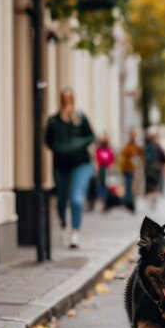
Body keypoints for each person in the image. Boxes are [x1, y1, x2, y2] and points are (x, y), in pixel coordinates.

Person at [45, 87, 95, 249]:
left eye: (69, 98)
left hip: (80, 163)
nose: (67, 101)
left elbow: (90, 136)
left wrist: (77, 144)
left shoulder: (79, 117)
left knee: (76, 198)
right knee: (61, 199)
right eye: (64, 98)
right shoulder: (54, 120)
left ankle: (74, 233)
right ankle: (63, 221)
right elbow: (48, 140)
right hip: (61, 165)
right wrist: (59, 148)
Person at [118, 129, 143, 212]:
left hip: (132, 169)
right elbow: (126, 152)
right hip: (127, 168)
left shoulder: (135, 146)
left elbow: (140, 152)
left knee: (131, 186)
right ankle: (128, 203)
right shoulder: (128, 146)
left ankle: (129, 202)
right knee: (128, 186)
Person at [144, 130, 165, 208]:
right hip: (156, 168)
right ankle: (154, 199)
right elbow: (163, 156)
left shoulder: (145, 147)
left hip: (148, 168)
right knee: (155, 184)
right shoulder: (157, 146)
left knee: (149, 184)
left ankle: (150, 199)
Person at [95, 134, 115, 207]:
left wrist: (111, 166)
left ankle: (107, 200)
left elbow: (112, 160)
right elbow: (97, 160)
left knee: (108, 185)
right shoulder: (98, 150)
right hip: (101, 169)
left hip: (108, 169)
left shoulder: (109, 151)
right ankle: (102, 199)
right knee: (101, 184)